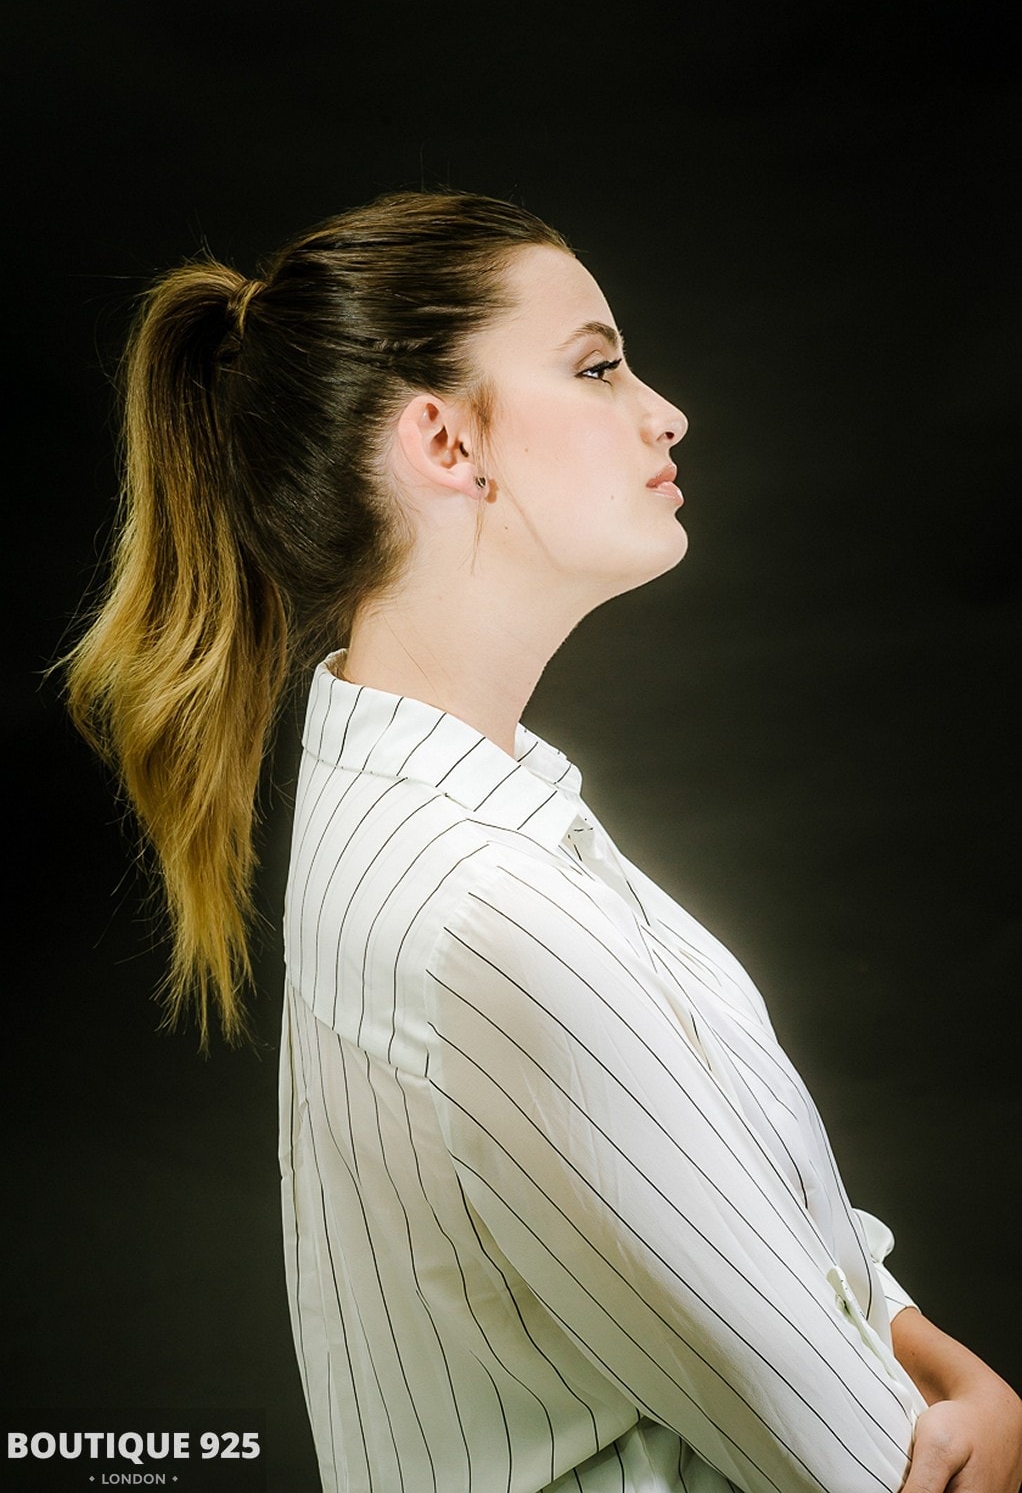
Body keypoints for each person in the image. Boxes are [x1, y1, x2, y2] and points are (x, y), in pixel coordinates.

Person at [66, 191, 1021, 1493]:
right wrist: (958, 1406)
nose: (663, 413)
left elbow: (747, 1207)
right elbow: (871, 1469)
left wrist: (925, 1350)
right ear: (447, 441)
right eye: (597, 366)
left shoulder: (442, 799)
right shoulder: (492, 915)